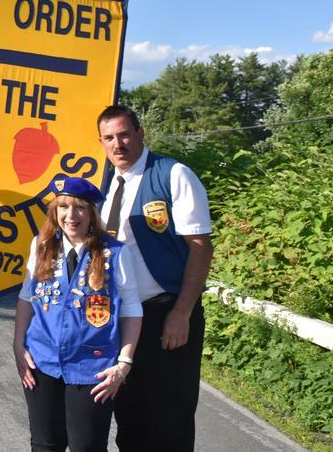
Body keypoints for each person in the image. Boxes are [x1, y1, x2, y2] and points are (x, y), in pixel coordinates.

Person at [96, 105, 213, 452]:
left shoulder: (173, 174)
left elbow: (201, 247)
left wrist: (182, 313)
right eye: (109, 138)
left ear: (140, 133)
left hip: (166, 312)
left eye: (124, 134)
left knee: (169, 421)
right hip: (123, 318)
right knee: (129, 418)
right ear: (101, 143)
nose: (118, 144)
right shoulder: (106, 185)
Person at [13, 177, 143, 452]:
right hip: (42, 362)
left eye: (81, 208)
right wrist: (18, 345)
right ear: (55, 211)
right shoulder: (42, 245)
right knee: (45, 444)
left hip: (93, 368)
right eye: (64, 207)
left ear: (93, 213)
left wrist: (124, 362)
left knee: (87, 447)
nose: (71, 216)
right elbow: (27, 297)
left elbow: (131, 310)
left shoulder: (115, 253)